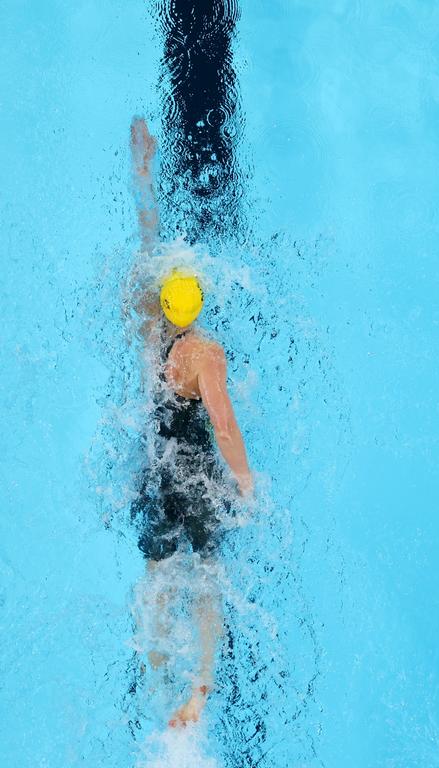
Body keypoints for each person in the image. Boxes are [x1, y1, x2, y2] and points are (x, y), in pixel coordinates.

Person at [129, 116, 254, 727]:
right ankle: (199, 688)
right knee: (207, 575)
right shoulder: (205, 354)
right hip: (195, 471)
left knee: (157, 571)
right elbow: (224, 427)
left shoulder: (151, 331)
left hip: (155, 466)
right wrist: (248, 482)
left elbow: (147, 243)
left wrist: (144, 174)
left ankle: (154, 670)